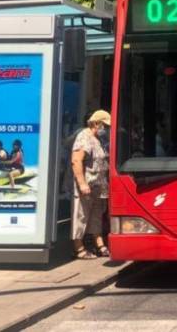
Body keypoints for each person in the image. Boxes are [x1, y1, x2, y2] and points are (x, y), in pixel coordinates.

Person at [71, 110, 111, 259]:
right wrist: (82, 183)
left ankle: (99, 244)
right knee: (81, 215)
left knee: (96, 216)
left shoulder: (99, 138)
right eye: (105, 125)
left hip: (99, 186)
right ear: (96, 123)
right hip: (87, 185)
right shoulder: (84, 136)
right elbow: (76, 160)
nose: (107, 128)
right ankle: (79, 248)